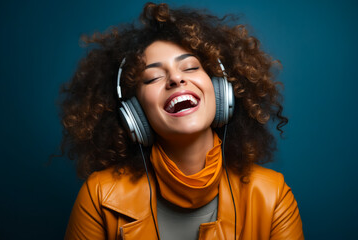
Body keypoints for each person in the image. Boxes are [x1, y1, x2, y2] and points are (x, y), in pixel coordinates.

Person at [61, 2, 304, 240]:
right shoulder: (100, 197)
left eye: (190, 67)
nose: (176, 79)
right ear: (134, 113)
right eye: (153, 77)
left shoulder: (272, 196)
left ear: (221, 92)